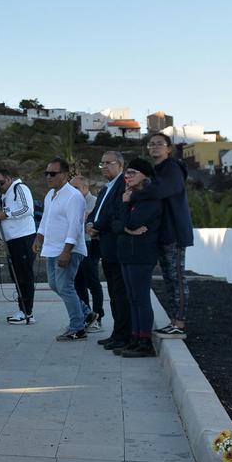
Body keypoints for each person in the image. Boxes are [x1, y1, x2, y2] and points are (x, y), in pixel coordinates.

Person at [131, 133, 194, 339]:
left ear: (169, 148)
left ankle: (180, 323)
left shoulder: (172, 168)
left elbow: (162, 190)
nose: (155, 147)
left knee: (177, 278)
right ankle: (174, 321)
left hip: (174, 232)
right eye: (151, 144)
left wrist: (134, 194)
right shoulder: (158, 170)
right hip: (163, 233)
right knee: (169, 279)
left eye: (160, 144)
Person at [32, 158, 97, 341]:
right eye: (47, 173)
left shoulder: (73, 196)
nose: (48, 177)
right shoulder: (50, 195)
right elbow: (46, 220)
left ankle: (77, 327)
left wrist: (67, 251)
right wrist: (39, 237)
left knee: (65, 286)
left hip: (68, 249)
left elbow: (75, 226)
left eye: (53, 173)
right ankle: (86, 314)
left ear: (65, 175)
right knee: (55, 285)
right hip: (52, 248)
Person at [112, 158, 163, 358]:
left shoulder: (151, 199)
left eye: (133, 172)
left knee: (141, 299)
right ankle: (135, 338)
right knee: (132, 299)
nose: (128, 176)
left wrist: (126, 222)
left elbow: (133, 222)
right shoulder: (128, 196)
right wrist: (126, 228)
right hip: (126, 253)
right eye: (127, 172)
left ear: (145, 175)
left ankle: (145, 341)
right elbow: (116, 223)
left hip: (141, 255)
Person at [88, 151, 132, 351]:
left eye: (108, 163)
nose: (104, 166)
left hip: (117, 247)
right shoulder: (106, 188)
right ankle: (117, 333)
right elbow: (96, 211)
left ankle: (124, 335)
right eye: (102, 163)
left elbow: (115, 212)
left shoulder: (123, 184)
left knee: (120, 294)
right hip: (105, 247)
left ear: (120, 165)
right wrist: (90, 224)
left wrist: (97, 226)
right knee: (113, 294)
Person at [0, 169, 37, 324]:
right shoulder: (4, 195)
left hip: (23, 238)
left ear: (9, 179)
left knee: (24, 275)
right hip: (11, 239)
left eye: (1, 183)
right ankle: (23, 309)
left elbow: (27, 209)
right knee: (17, 276)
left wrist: (6, 214)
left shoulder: (19, 188)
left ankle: (27, 312)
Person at [71, 175, 105, 331]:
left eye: (76, 188)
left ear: (85, 188)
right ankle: (87, 316)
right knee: (78, 281)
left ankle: (98, 316)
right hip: (76, 244)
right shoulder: (72, 201)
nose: (73, 191)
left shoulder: (95, 201)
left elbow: (84, 220)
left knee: (92, 281)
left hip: (90, 244)